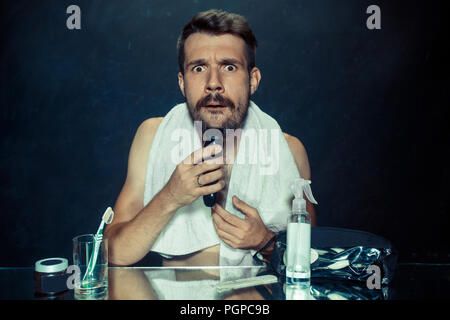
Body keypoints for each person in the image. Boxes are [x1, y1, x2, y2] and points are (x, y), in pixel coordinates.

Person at [105, 9, 316, 267]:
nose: (213, 83)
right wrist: (171, 196)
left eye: (229, 67)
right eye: (199, 68)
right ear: (182, 82)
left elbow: (311, 261)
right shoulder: (152, 136)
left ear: (253, 80)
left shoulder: (289, 150)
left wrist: (266, 242)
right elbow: (112, 253)